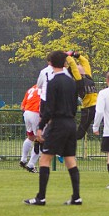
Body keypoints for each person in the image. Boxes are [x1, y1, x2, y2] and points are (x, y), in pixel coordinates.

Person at [24, 50, 82, 206]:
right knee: (70, 159)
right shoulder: (71, 81)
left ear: (51, 63)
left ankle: (40, 197)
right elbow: (75, 104)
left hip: (58, 123)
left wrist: (41, 126)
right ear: (64, 63)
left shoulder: (53, 82)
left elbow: (49, 108)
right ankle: (76, 196)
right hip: (71, 122)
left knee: (45, 158)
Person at [66, 52, 98, 141]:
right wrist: (67, 56)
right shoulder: (79, 80)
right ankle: (66, 141)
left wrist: (76, 54)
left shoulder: (88, 76)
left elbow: (85, 62)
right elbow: (73, 65)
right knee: (80, 133)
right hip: (88, 109)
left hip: (98, 106)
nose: (80, 66)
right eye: (78, 67)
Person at [19, 83, 41, 173]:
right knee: (40, 139)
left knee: (31, 137)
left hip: (27, 113)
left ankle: (23, 160)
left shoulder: (32, 88)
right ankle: (31, 165)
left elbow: (22, 106)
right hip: (36, 113)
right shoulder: (46, 88)